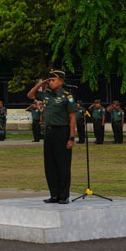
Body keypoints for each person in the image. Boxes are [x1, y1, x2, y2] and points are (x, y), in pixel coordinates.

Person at [27, 70, 77, 204]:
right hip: (48, 133)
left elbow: (72, 118)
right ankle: (54, 194)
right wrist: (40, 84)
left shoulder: (68, 96)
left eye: (53, 80)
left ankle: (64, 195)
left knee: (63, 165)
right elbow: (30, 95)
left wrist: (71, 138)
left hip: (62, 132)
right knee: (50, 165)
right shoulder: (46, 95)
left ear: (61, 81)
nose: (50, 82)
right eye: (49, 80)